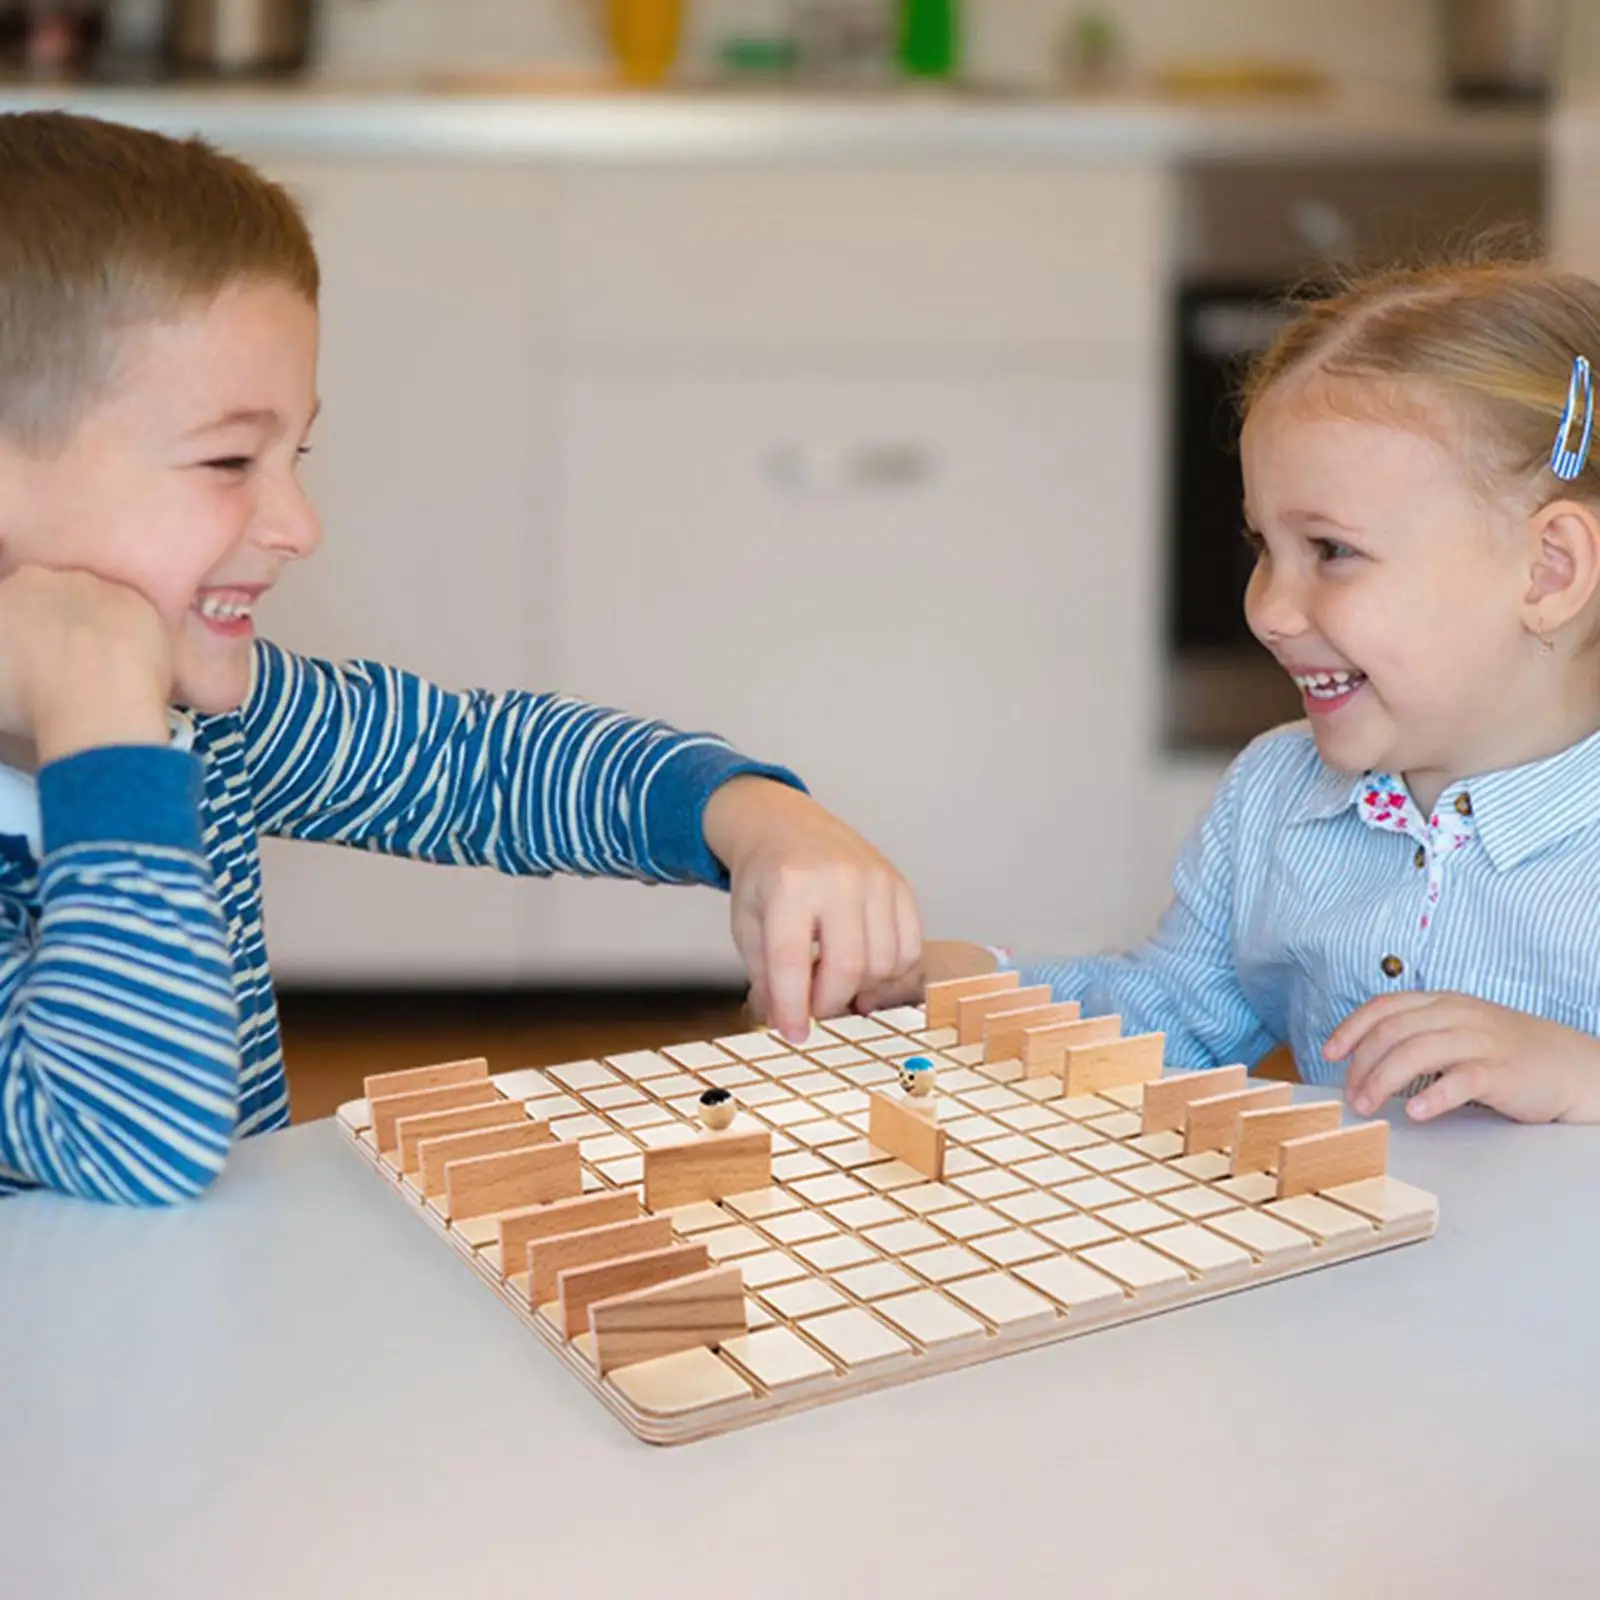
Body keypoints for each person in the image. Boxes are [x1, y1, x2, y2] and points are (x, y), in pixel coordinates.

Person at [0, 111, 921, 1204]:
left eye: (297, 454)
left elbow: (482, 761)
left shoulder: (207, 716)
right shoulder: (138, 721)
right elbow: (132, 1136)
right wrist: (103, 730)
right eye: (229, 461)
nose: (299, 524)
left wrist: (751, 815)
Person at [882, 252, 1600, 1126]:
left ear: (1549, 570)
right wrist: (961, 987)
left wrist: (1579, 1076)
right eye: (1264, 547)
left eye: (1331, 551)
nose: (1268, 610)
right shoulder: (1274, 796)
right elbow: (1167, 1018)